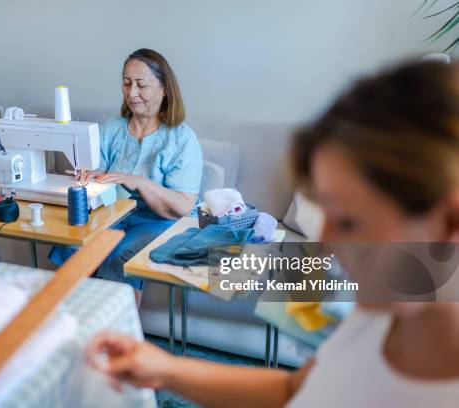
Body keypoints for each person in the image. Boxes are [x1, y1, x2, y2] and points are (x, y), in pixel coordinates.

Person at [86, 60, 459, 407]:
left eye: (349, 221)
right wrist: (165, 369)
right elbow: (293, 389)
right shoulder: (379, 314)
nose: (325, 243)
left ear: (450, 222)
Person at [50, 49, 203, 304]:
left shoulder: (181, 139)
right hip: (117, 213)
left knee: (122, 255)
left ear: (165, 89)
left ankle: (120, 335)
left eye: (141, 85)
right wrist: (89, 176)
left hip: (161, 222)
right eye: (127, 83)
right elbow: (97, 177)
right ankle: (70, 319)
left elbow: (182, 207)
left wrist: (139, 182)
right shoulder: (112, 128)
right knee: (73, 244)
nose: (132, 93)